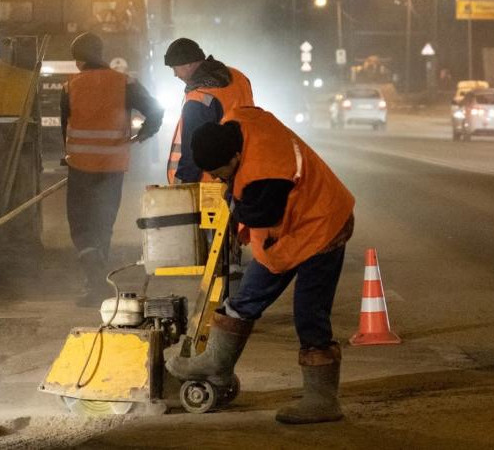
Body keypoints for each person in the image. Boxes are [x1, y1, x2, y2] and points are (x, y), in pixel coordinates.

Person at [166, 107, 355, 425]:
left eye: (221, 173)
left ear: (236, 156)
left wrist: (235, 209)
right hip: (289, 231)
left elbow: (262, 214)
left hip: (322, 225)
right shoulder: (239, 122)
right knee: (245, 299)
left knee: (309, 313)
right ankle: (217, 364)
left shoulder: (266, 172)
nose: (220, 179)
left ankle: (322, 399)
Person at [61, 32, 163, 305]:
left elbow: (64, 129)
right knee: (103, 224)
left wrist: (67, 155)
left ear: (79, 60)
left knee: (81, 227)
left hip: (80, 168)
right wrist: (142, 135)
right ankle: (96, 282)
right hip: (112, 168)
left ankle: (94, 282)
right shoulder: (125, 82)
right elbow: (156, 111)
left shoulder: (70, 86)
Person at [164, 37, 253, 184]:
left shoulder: (198, 98)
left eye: (175, 68)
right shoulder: (238, 76)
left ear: (188, 64)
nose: (175, 75)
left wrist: (183, 186)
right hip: (246, 167)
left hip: (213, 181)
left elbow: (193, 151)